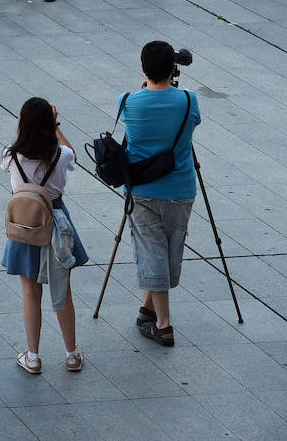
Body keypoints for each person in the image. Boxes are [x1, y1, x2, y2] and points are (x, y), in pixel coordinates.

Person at [119, 41, 200, 347]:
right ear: (173, 69)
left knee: (153, 250)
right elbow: (191, 127)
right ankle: (148, 310)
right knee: (168, 248)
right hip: (181, 189)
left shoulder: (127, 101)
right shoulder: (190, 101)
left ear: (143, 68)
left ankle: (163, 325)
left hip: (143, 190)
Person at [2, 98, 88, 376]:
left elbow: (18, 145)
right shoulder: (61, 155)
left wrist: (23, 126)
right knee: (63, 292)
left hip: (25, 226)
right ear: (50, 126)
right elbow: (73, 152)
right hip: (57, 222)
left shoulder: (10, 155)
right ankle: (72, 354)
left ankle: (34, 357)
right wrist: (56, 124)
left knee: (30, 292)